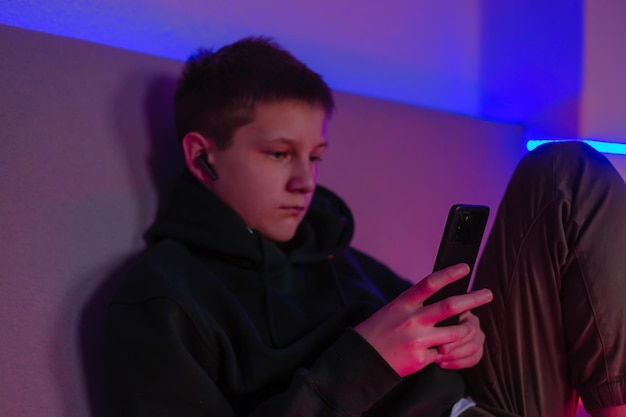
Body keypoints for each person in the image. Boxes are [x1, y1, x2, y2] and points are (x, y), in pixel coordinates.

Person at [105, 36, 626, 417]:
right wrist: (363, 363)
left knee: (565, 172)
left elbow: (437, 340)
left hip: (487, 401)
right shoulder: (163, 299)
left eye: (315, 156)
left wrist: (466, 338)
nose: (304, 182)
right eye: (279, 154)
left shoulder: (339, 257)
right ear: (202, 157)